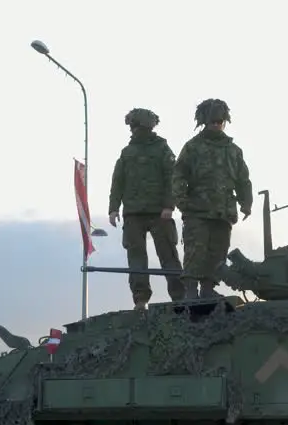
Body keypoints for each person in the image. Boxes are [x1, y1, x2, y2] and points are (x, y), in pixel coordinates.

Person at [171, 98, 253, 299]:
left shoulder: (233, 150)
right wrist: (182, 201)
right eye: (212, 121)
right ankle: (190, 289)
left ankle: (208, 288)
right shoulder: (193, 147)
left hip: (223, 210)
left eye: (219, 121)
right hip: (197, 210)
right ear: (204, 121)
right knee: (195, 251)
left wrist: (246, 203)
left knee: (218, 252)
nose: (216, 125)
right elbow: (179, 174)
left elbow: (243, 179)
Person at [108, 108, 184, 310]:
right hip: (133, 213)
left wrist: (169, 205)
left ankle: (180, 296)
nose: (133, 131)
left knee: (168, 255)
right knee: (136, 259)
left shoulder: (162, 149)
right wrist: (113, 208)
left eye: (135, 126)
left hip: (159, 213)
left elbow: (172, 179)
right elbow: (118, 181)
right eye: (132, 127)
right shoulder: (127, 152)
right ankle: (140, 298)